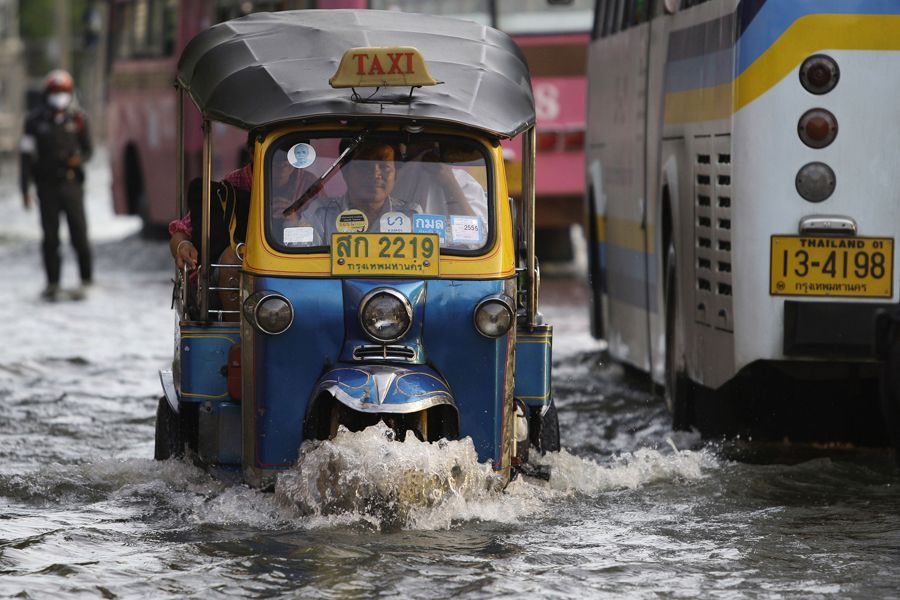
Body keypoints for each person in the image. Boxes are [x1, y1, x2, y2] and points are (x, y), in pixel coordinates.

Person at [20, 69, 93, 301]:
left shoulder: (79, 119)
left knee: (79, 235)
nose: (58, 96)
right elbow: (25, 157)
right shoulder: (34, 122)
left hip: (72, 186)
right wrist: (25, 189)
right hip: (46, 187)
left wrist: (77, 160)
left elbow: (89, 150)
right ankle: (52, 284)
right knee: (50, 238)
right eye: (54, 92)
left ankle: (86, 281)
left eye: (62, 92)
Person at [297, 141, 422, 245]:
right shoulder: (320, 213)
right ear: (345, 172)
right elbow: (302, 260)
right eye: (364, 166)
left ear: (396, 175)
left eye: (384, 167)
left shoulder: (411, 215)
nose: (375, 175)